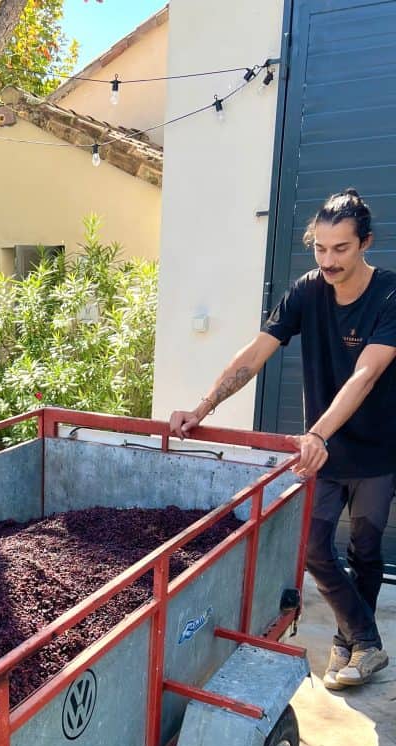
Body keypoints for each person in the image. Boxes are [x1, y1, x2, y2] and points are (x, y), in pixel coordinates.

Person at [169, 189, 396, 690]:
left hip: (375, 449)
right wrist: (202, 407)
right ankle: (365, 640)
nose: (328, 260)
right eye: (320, 248)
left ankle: (349, 645)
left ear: (365, 244)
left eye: (341, 248)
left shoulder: (389, 295)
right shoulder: (307, 291)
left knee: (364, 548)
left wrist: (316, 432)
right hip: (323, 450)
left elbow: (365, 375)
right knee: (312, 546)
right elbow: (255, 353)